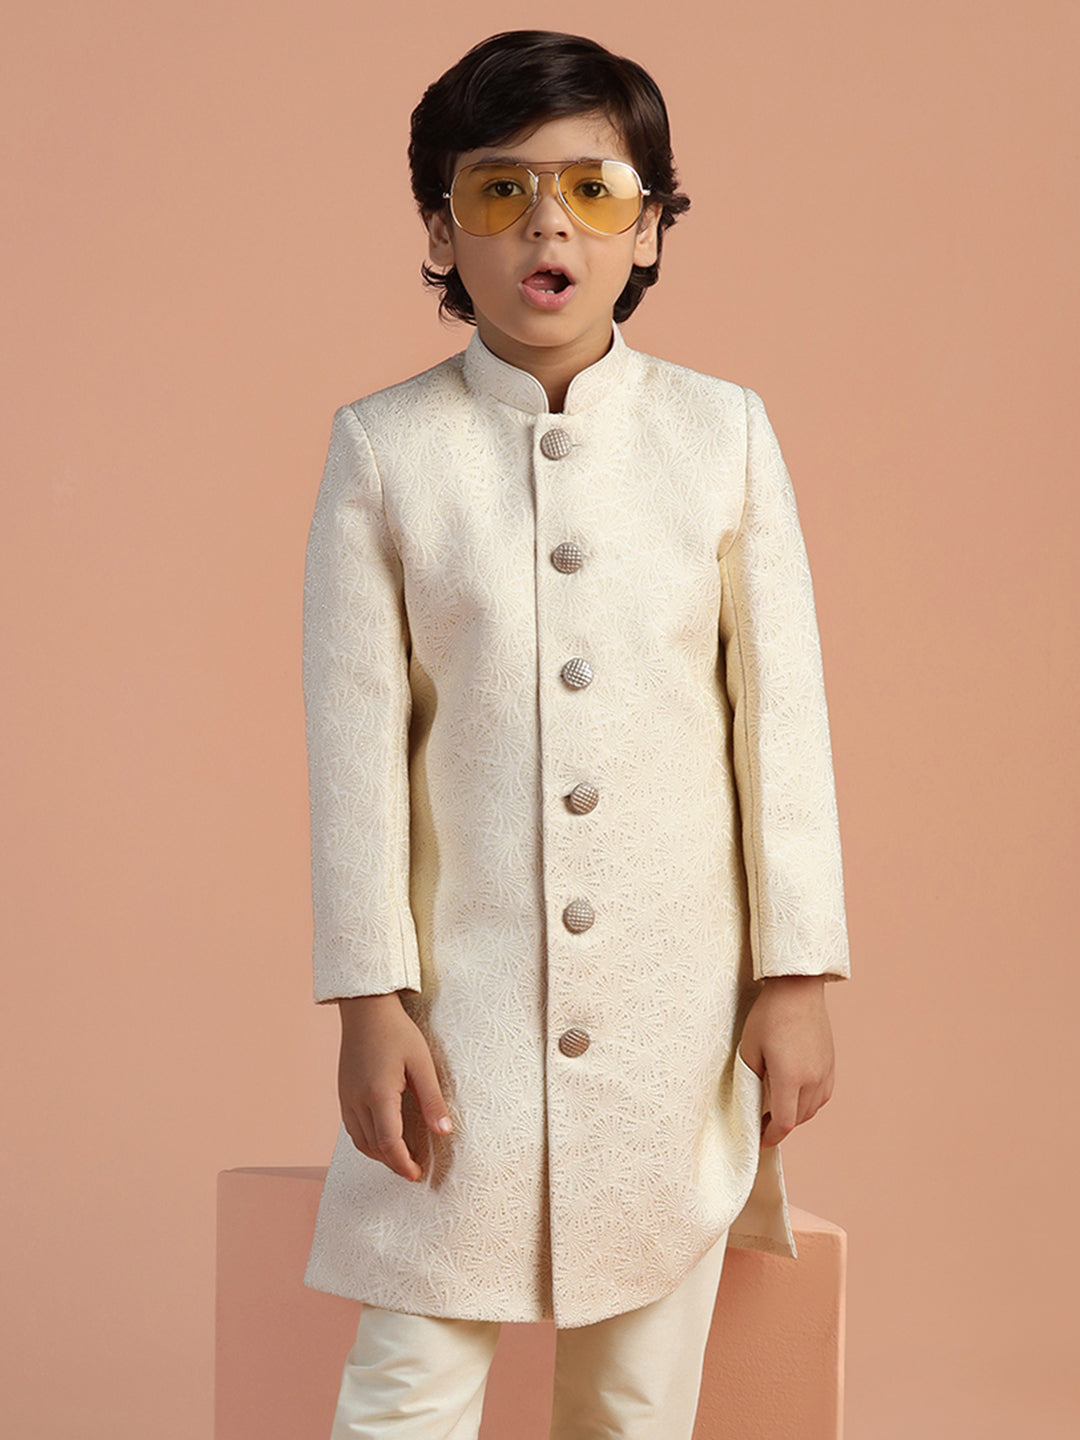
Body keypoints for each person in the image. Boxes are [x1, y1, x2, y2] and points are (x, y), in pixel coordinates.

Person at [300, 28, 851, 1440]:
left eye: (594, 189)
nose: (548, 225)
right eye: (500, 190)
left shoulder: (723, 435)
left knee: (632, 1406)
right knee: (405, 1389)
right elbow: (355, 751)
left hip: (675, 1016)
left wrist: (796, 974)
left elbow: (779, 725)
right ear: (443, 228)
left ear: (649, 224)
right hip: (460, 1015)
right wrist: (369, 999)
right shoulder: (385, 449)